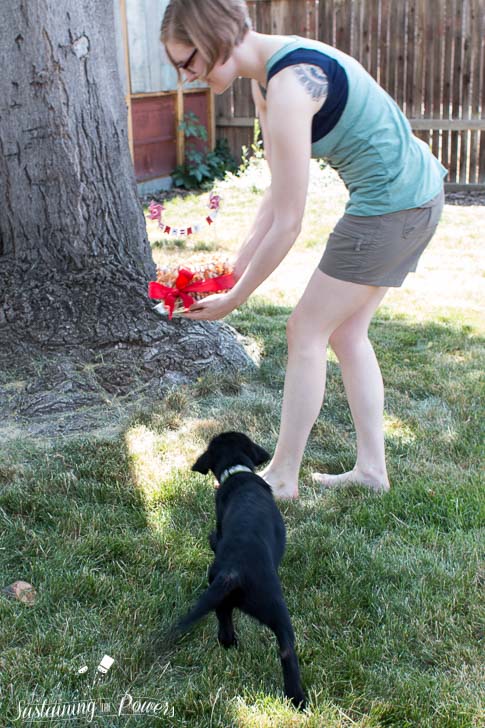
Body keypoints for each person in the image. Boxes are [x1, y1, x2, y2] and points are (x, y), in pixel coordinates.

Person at [161, 0, 447, 500]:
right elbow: (276, 191)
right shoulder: (270, 80)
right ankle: (371, 471)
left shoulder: (292, 87)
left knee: (306, 329)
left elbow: (291, 221)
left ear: (215, 41)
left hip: (393, 207)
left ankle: (283, 475)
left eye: (188, 62)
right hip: (410, 198)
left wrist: (237, 299)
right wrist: (237, 265)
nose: (187, 77)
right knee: (346, 332)